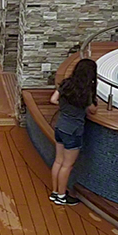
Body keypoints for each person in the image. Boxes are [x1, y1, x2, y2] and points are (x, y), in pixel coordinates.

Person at [49, 57, 97, 207]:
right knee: (67, 165)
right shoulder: (85, 92)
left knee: (58, 161)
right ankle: (62, 196)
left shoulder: (66, 84)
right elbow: (93, 110)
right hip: (73, 131)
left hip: (60, 126)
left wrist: (65, 107)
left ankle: (55, 192)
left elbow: (53, 100)